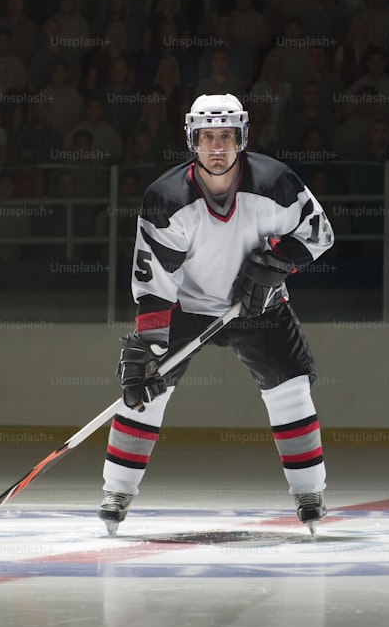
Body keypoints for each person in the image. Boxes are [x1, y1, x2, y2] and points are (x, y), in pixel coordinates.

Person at [97, 93, 335, 536]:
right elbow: (154, 284)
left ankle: (309, 493)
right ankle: (117, 491)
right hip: (187, 307)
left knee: (290, 390)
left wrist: (274, 264)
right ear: (193, 141)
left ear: (241, 137)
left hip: (259, 305)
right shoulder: (165, 198)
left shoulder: (276, 182)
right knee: (148, 389)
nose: (218, 147)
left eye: (227, 136)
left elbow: (319, 234)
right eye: (209, 137)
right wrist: (148, 346)